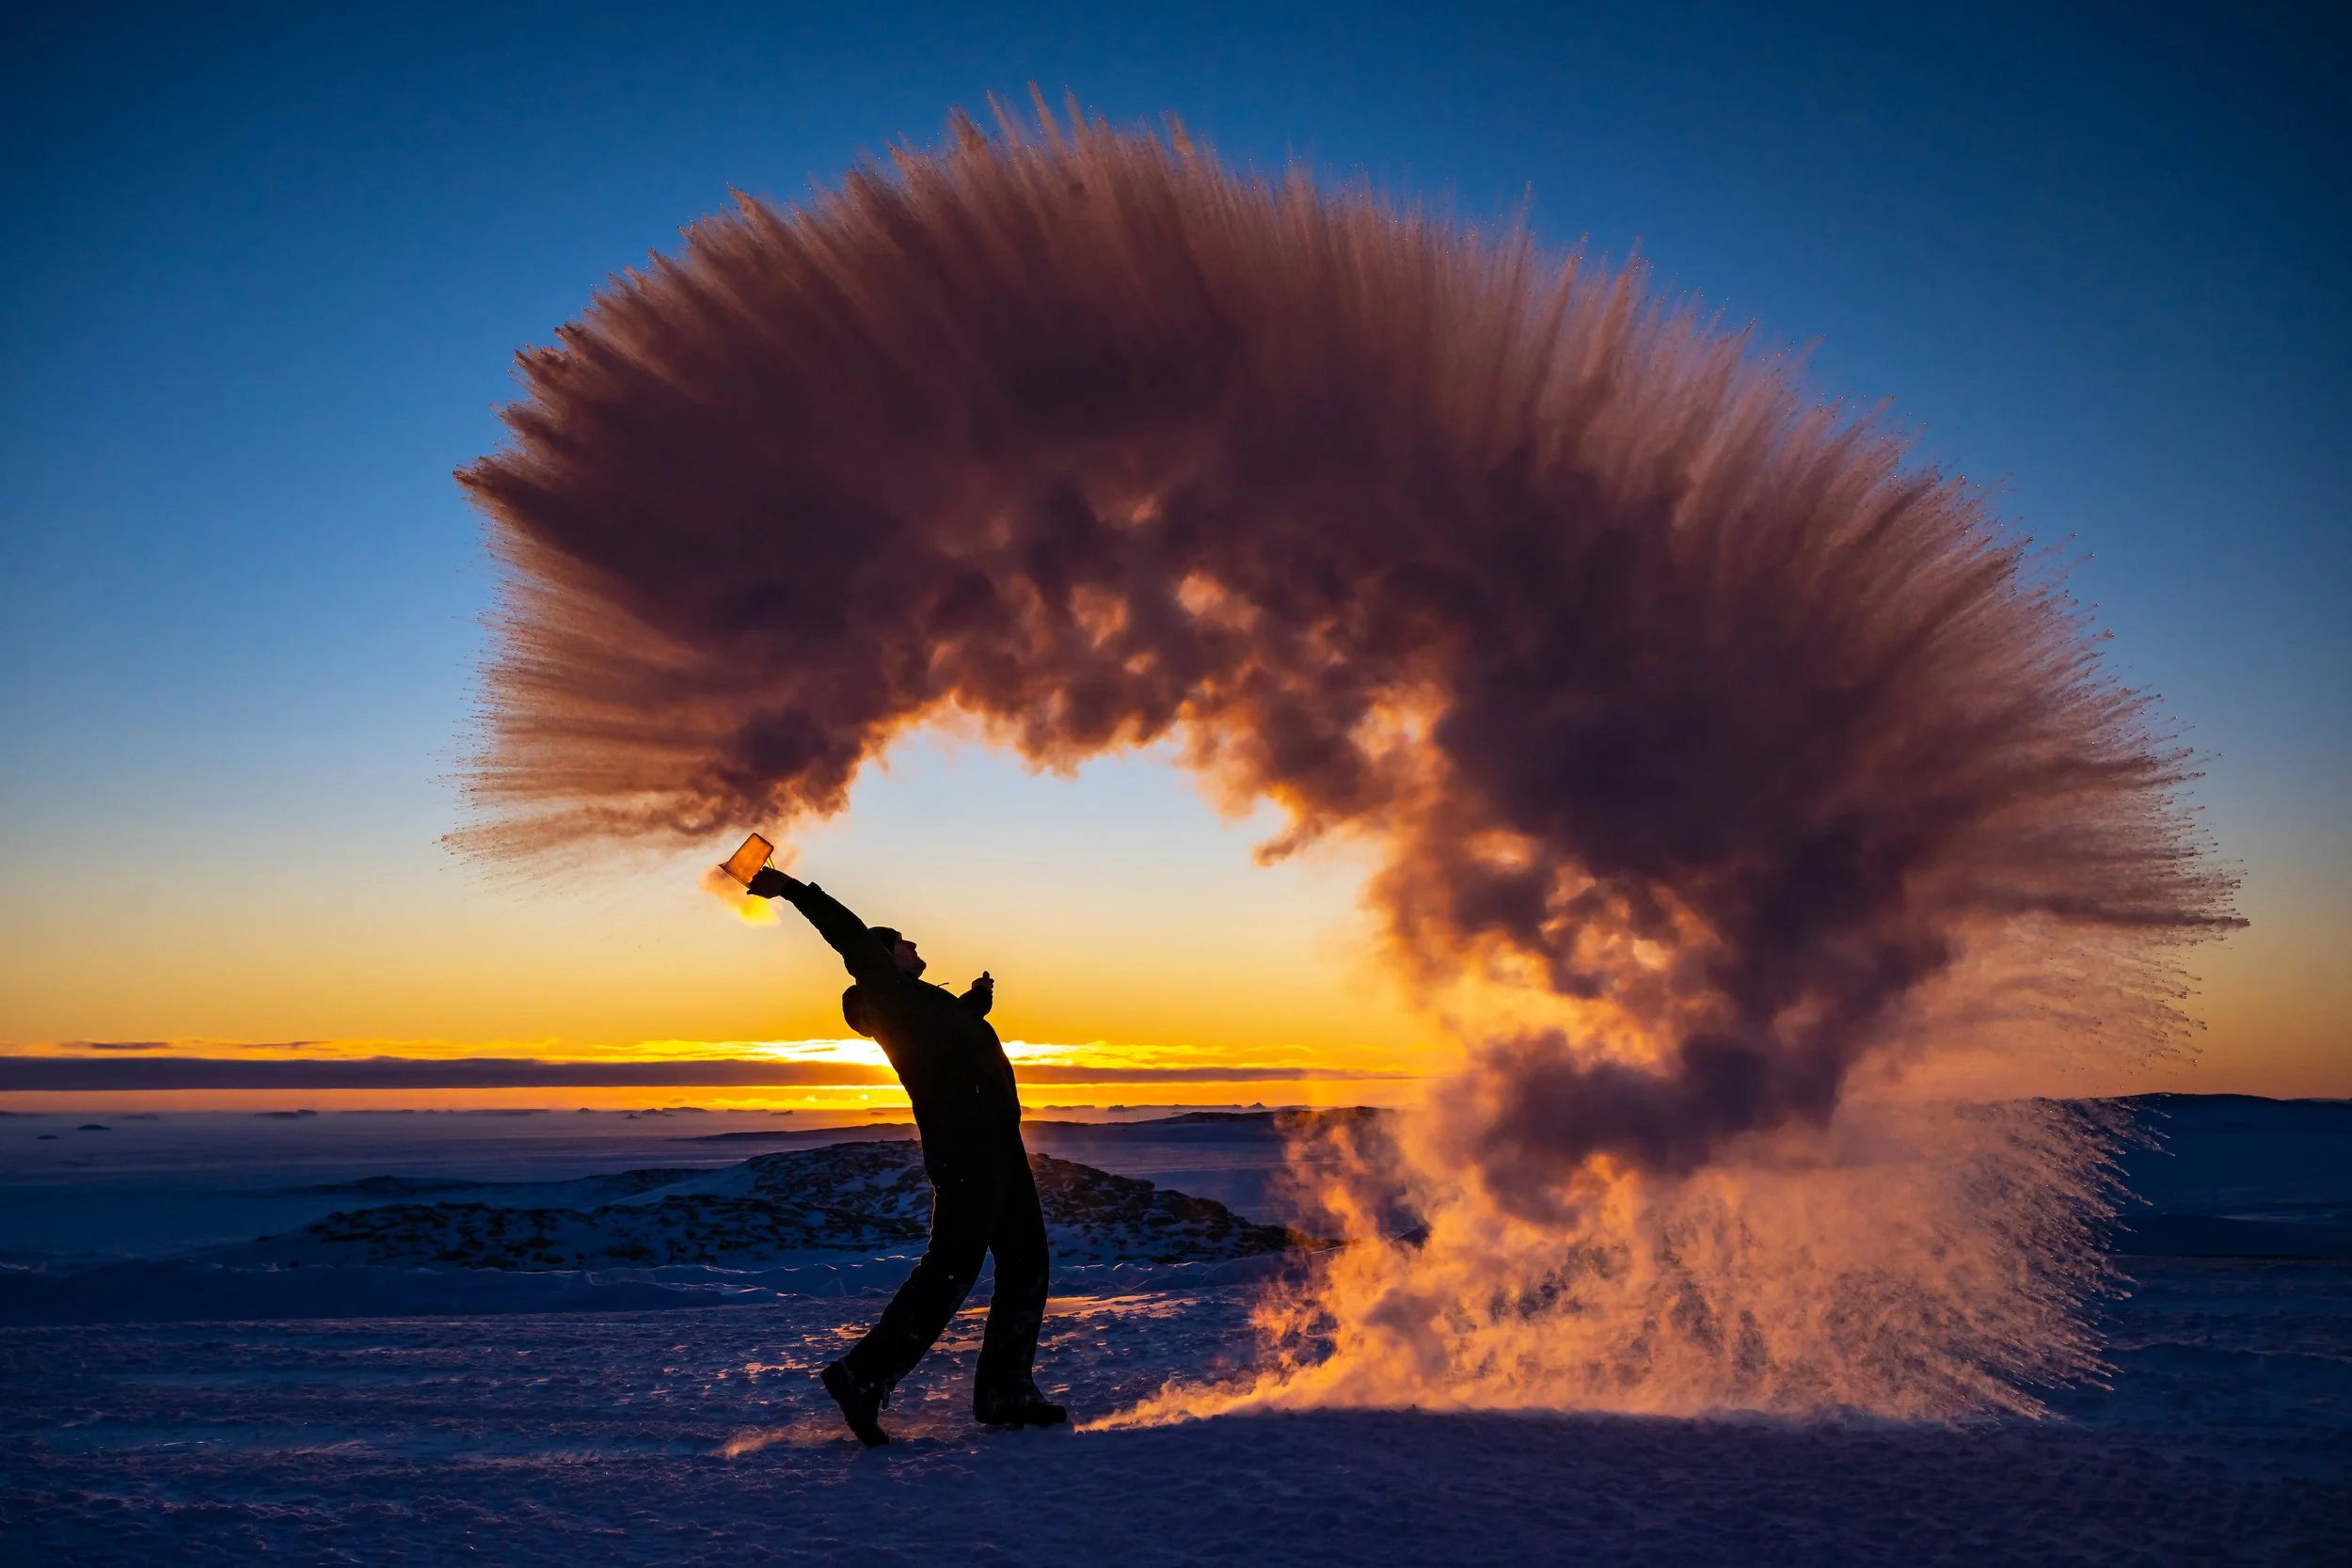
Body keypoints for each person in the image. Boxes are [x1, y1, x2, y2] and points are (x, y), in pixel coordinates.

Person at [745, 865, 1066, 1446]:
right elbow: (850, 937)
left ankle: (1005, 1389)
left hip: (996, 1148)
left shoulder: (917, 1007)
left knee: (1025, 1265)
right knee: (951, 1271)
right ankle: (862, 1375)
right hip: (973, 1153)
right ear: (886, 955)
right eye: (905, 942)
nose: (916, 947)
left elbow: (948, 1040)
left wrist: (973, 1006)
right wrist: (792, 888)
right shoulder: (888, 993)